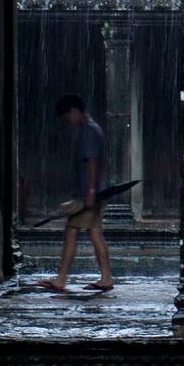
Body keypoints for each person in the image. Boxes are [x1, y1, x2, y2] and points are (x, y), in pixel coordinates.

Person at [36, 94, 115, 292]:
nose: (67, 122)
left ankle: (62, 279)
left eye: (66, 118)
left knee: (73, 231)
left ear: (74, 111)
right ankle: (105, 277)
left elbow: (92, 162)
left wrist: (89, 191)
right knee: (94, 233)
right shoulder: (92, 129)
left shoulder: (88, 131)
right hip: (94, 192)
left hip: (89, 193)